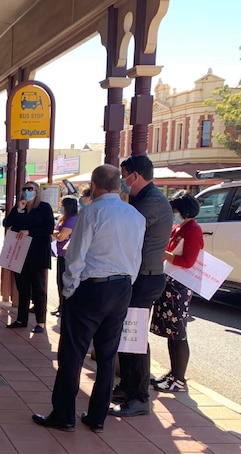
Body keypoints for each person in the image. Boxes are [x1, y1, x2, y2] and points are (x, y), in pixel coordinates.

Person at [32, 164, 145, 432]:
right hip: (122, 287)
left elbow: (76, 254)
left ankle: (63, 415)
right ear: (119, 185)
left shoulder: (92, 212)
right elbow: (136, 256)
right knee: (107, 355)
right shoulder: (135, 215)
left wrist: (69, 289)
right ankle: (97, 417)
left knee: (72, 352)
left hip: (92, 287)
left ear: (95, 185)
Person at [110, 155, 173, 417]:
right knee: (128, 333)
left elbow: (123, 226)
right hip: (137, 275)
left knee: (134, 337)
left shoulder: (152, 203)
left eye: (123, 176)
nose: (122, 182)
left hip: (145, 278)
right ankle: (127, 386)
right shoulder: (142, 199)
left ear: (134, 176)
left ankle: (140, 397)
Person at [150, 192, 203, 393]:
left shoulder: (193, 230)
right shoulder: (181, 227)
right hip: (170, 283)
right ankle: (173, 373)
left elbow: (188, 261)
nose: (174, 213)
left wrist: (163, 253)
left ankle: (179, 378)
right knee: (171, 333)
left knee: (178, 333)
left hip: (179, 287)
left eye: (176, 209)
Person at [2, 181, 55, 333]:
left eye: (30, 189)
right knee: (22, 287)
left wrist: (29, 231)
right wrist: (18, 208)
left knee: (39, 288)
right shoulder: (20, 208)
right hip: (20, 253)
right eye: (24, 189)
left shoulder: (44, 207)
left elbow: (48, 228)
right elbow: (7, 223)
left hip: (38, 253)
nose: (27, 191)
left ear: (37, 192)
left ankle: (40, 322)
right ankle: (21, 319)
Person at [51, 196, 79, 316]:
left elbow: (61, 236)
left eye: (62, 205)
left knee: (65, 283)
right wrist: (56, 233)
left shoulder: (72, 219)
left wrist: (55, 233)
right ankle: (61, 306)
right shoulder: (64, 219)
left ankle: (65, 309)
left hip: (66, 255)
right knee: (59, 282)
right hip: (60, 254)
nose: (60, 207)